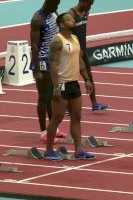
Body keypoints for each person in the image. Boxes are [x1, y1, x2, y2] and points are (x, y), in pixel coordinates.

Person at [44, 13, 95, 161]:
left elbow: (79, 60)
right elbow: (53, 65)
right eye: (69, 19)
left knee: (76, 117)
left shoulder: (75, 39)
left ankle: (79, 150)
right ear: (61, 24)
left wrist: (86, 79)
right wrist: (55, 87)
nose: (73, 20)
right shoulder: (57, 41)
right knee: (57, 117)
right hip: (61, 83)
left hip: (74, 83)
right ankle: (48, 150)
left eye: (73, 19)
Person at [30, 0, 67, 142]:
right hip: (43, 60)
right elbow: (34, 45)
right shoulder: (37, 19)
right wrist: (37, 68)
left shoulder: (54, 13)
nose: (57, 7)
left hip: (54, 60)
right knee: (43, 97)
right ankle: (43, 131)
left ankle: (54, 128)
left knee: (52, 97)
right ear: (48, 2)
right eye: (55, 4)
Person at [67, 0, 109, 112]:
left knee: (89, 76)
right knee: (69, 80)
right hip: (73, 51)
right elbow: (64, 35)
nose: (90, 7)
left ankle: (94, 104)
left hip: (83, 50)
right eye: (89, 4)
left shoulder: (86, 12)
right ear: (83, 1)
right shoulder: (70, 15)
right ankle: (65, 106)